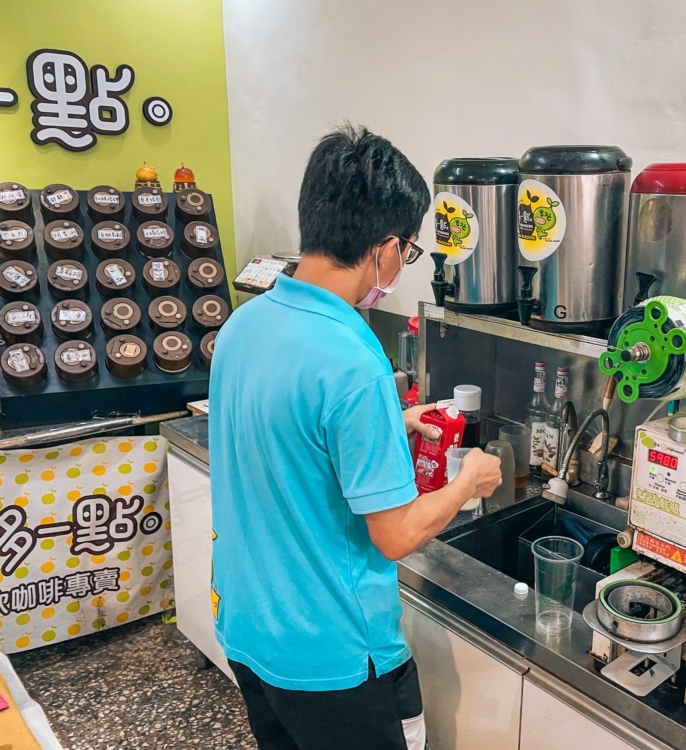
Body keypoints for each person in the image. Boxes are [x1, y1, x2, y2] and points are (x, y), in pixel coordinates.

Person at [209, 124, 502, 750]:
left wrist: (390, 423)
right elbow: (394, 534)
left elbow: (281, 434)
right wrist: (466, 480)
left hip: (248, 629)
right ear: (386, 247)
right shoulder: (353, 360)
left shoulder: (244, 324)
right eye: (410, 252)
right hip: (334, 657)